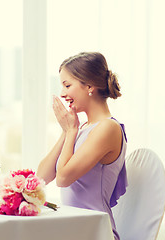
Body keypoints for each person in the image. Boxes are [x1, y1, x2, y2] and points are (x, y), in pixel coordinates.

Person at [37, 52, 127, 240]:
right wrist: (66, 132)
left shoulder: (108, 128)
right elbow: (41, 178)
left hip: (96, 232)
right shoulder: (82, 128)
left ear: (89, 86)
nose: (62, 93)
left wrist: (71, 132)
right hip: (75, 229)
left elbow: (63, 178)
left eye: (67, 85)